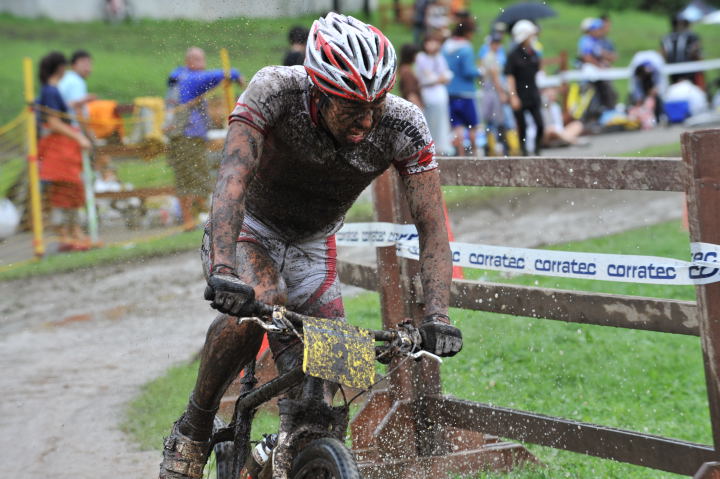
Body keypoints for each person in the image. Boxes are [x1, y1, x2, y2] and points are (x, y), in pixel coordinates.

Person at [158, 13, 462, 479]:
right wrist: (222, 268)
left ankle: (287, 454)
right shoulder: (274, 91)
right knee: (261, 301)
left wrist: (437, 315)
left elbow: (432, 226)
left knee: (333, 379)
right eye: (351, 106)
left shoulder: (404, 124)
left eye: (375, 104)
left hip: (314, 245)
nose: (366, 119)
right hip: (251, 229)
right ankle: (194, 428)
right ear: (319, 91)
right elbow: (232, 181)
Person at [165, 47, 243, 231]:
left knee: (194, 180)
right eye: (199, 60)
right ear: (189, 61)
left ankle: (193, 219)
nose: (203, 64)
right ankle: (188, 222)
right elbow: (215, 76)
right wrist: (234, 74)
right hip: (186, 138)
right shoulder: (190, 79)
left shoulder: (180, 78)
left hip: (187, 138)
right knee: (190, 180)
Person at [36, 51, 92, 250]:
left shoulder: (50, 90)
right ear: (59, 68)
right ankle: (68, 236)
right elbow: (53, 122)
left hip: (62, 147)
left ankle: (71, 235)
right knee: (66, 191)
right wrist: (79, 136)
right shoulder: (50, 90)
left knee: (68, 191)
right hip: (59, 149)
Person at [442, 18, 481, 155]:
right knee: (472, 126)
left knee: (457, 126)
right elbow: (468, 71)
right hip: (466, 92)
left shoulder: (446, 47)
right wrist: (480, 72)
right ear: (467, 32)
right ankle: (475, 155)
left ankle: (460, 155)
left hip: (450, 92)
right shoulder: (466, 48)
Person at [505, 20, 543, 156]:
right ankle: (524, 153)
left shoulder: (533, 53)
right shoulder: (513, 55)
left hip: (532, 93)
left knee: (540, 124)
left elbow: (537, 73)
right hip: (520, 94)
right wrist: (513, 95)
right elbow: (510, 76)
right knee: (522, 126)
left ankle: (538, 151)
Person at [415, 32, 453, 155]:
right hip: (429, 96)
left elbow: (447, 75)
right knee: (430, 122)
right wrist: (439, 79)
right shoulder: (421, 57)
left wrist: (439, 79)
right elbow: (428, 78)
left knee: (442, 123)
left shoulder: (439, 57)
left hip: (440, 96)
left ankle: (441, 148)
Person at [479, 30, 509, 156]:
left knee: (491, 119)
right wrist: (501, 92)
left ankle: (491, 144)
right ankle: (496, 145)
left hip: (488, 89)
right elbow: (495, 76)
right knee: (496, 118)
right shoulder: (491, 57)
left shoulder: (490, 56)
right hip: (492, 90)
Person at [58, 50, 97, 142]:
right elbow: (78, 109)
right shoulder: (76, 81)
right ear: (74, 65)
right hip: (72, 129)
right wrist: (89, 136)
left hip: (61, 127)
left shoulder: (66, 76)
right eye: (84, 63)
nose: (88, 68)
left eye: (89, 64)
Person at [661, 14, 702, 86]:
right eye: (678, 23)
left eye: (682, 23)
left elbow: (696, 54)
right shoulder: (667, 38)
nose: (680, 26)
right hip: (674, 71)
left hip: (689, 71)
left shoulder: (692, 36)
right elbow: (663, 53)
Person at [398, 43, 423, 108]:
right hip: (412, 105)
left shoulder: (404, 68)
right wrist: (417, 108)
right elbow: (411, 93)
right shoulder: (407, 72)